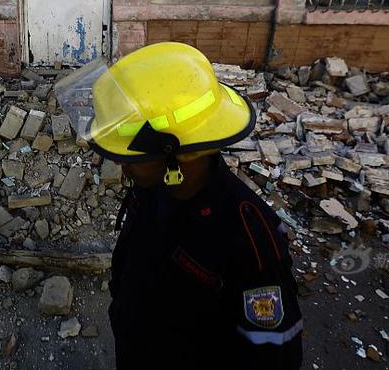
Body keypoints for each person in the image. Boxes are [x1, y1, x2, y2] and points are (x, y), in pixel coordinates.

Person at [55, 42, 303, 369]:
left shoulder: (251, 239)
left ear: (175, 153)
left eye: (131, 156)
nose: (121, 165)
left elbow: (273, 356)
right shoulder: (153, 190)